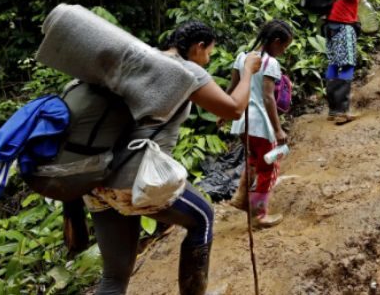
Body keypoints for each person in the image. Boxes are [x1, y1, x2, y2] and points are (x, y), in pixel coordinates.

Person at [85, 20, 261, 295]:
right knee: (203, 217)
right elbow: (235, 109)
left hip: (95, 181)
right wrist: (248, 71)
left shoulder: (143, 61)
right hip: (135, 178)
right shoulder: (185, 69)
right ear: (198, 47)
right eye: (209, 53)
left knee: (113, 278)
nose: (207, 60)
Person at [227, 20, 294, 228]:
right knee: (268, 167)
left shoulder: (242, 57)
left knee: (253, 159)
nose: (283, 51)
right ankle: (259, 215)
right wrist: (278, 129)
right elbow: (268, 97)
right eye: (284, 46)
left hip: (242, 122)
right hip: (261, 125)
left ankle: (241, 196)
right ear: (276, 41)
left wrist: (224, 112)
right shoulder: (270, 63)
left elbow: (232, 87)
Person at [325, 0, 370, 125]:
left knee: (334, 64)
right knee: (347, 65)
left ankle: (333, 110)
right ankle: (341, 112)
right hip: (342, 23)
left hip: (334, 22)